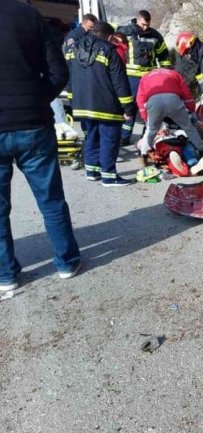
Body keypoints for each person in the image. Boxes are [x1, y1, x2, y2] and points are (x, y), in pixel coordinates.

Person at [0, 0, 81, 291]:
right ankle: (67, 263)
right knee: (50, 200)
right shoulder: (30, 15)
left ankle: (5, 275)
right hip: (33, 124)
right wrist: (36, 99)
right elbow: (59, 71)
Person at [66, 21, 134, 187]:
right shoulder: (110, 51)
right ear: (110, 36)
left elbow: (69, 77)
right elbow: (120, 83)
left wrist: (72, 100)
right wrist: (128, 107)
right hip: (106, 105)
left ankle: (92, 171)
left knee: (91, 136)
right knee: (109, 139)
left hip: (82, 104)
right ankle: (109, 176)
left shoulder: (72, 50)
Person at [135, 68, 203, 175]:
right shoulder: (174, 73)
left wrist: (146, 119)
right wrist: (191, 111)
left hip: (154, 102)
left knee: (150, 131)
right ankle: (202, 150)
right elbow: (186, 94)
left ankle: (143, 155)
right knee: (188, 128)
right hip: (174, 100)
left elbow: (140, 99)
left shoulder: (145, 77)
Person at [117, 10, 172, 145]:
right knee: (129, 107)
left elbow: (163, 55)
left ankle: (145, 136)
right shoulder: (125, 32)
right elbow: (116, 53)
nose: (145, 28)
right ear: (137, 20)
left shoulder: (155, 35)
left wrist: (166, 74)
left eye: (147, 25)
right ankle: (124, 137)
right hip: (130, 78)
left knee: (149, 108)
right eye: (143, 25)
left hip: (149, 79)